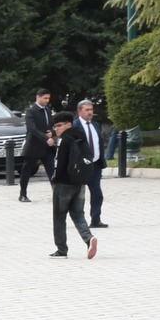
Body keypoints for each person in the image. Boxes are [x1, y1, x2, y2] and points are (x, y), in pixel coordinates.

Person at [48, 111, 100, 260]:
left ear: (68, 124)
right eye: (55, 126)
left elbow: (60, 163)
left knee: (59, 216)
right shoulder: (81, 137)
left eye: (59, 125)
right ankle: (89, 238)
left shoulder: (65, 140)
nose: (56, 129)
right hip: (79, 182)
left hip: (64, 183)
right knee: (78, 214)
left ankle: (61, 249)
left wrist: (54, 179)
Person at [76, 98, 112, 228]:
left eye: (91, 110)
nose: (90, 112)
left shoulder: (95, 125)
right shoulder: (75, 126)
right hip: (80, 165)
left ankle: (96, 219)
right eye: (87, 110)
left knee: (97, 193)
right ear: (79, 111)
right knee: (78, 195)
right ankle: (79, 220)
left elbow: (98, 143)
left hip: (95, 164)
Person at [18, 88, 56, 201]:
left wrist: (52, 133)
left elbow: (52, 125)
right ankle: (23, 194)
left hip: (47, 147)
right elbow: (32, 129)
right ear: (38, 97)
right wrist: (45, 138)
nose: (47, 100)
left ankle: (56, 193)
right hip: (34, 146)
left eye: (48, 98)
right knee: (27, 170)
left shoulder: (47, 110)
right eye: (45, 98)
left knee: (52, 169)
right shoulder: (31, 111)